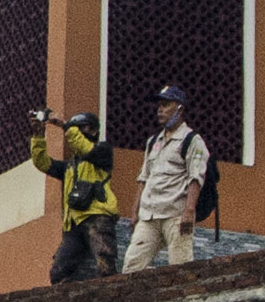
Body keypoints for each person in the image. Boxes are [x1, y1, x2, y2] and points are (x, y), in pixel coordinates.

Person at [125, 82, 212, 271]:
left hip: (176, 215)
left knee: (181, 269)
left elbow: (196, 177)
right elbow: (143, 178)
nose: (160, 110)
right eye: (159, 106)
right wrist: (135, 211)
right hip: (149, 215)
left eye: (166, 105)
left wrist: (189, 211)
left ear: (180, 108)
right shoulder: (152, 142)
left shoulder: (192, 140)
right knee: (131, 267)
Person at [33, 108, 121, 282]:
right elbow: (42, 163)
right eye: (77, 128)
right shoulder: (70, 166)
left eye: (83, 127)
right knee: (58, 273)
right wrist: (38, 136)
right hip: (73, 225)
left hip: (97, 218)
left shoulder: (102, 152)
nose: (78, 131)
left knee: (106, 267)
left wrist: (65, 125)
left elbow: (83, 147)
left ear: (94, 131)